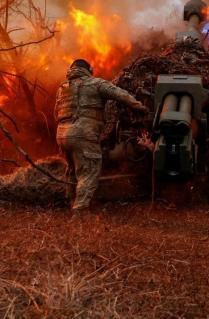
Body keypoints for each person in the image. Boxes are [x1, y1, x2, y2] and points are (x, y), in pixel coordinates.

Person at [54, 59, 146, 211]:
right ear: (88, 70)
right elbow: (120, 94)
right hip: (83, 134)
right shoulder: (95, 83)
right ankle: (80, 211)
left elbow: (56, 113)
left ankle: (69, 201)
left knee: (72, 170)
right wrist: (140, 107)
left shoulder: (62, 88)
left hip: (62, 135)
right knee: (88, 173)